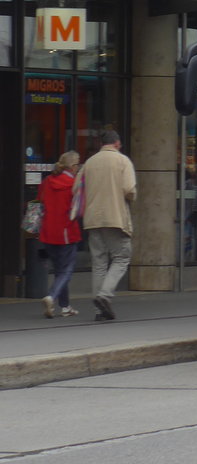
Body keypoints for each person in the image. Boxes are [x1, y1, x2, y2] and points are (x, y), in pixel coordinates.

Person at [76, 130, 136, 321]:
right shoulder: (123, 161)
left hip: (92, 219)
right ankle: (105, 295)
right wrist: (130, 197)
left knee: (99, 263)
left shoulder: (89, 163)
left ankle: (99, 310)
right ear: (117, 143)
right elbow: (129, 189)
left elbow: (76, 188)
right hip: (115, 217)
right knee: (121, 258)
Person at [37, 150, 82, 318]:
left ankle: (65, 306)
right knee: (66, 270)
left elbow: (38, 202)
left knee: (59, 270)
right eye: (77, 164)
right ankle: (51, 296)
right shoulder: (73, 184)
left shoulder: (47, 181)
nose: (78, 167)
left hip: (48, 232)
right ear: (71, 167)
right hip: (66, 232)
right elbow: (78, 209)